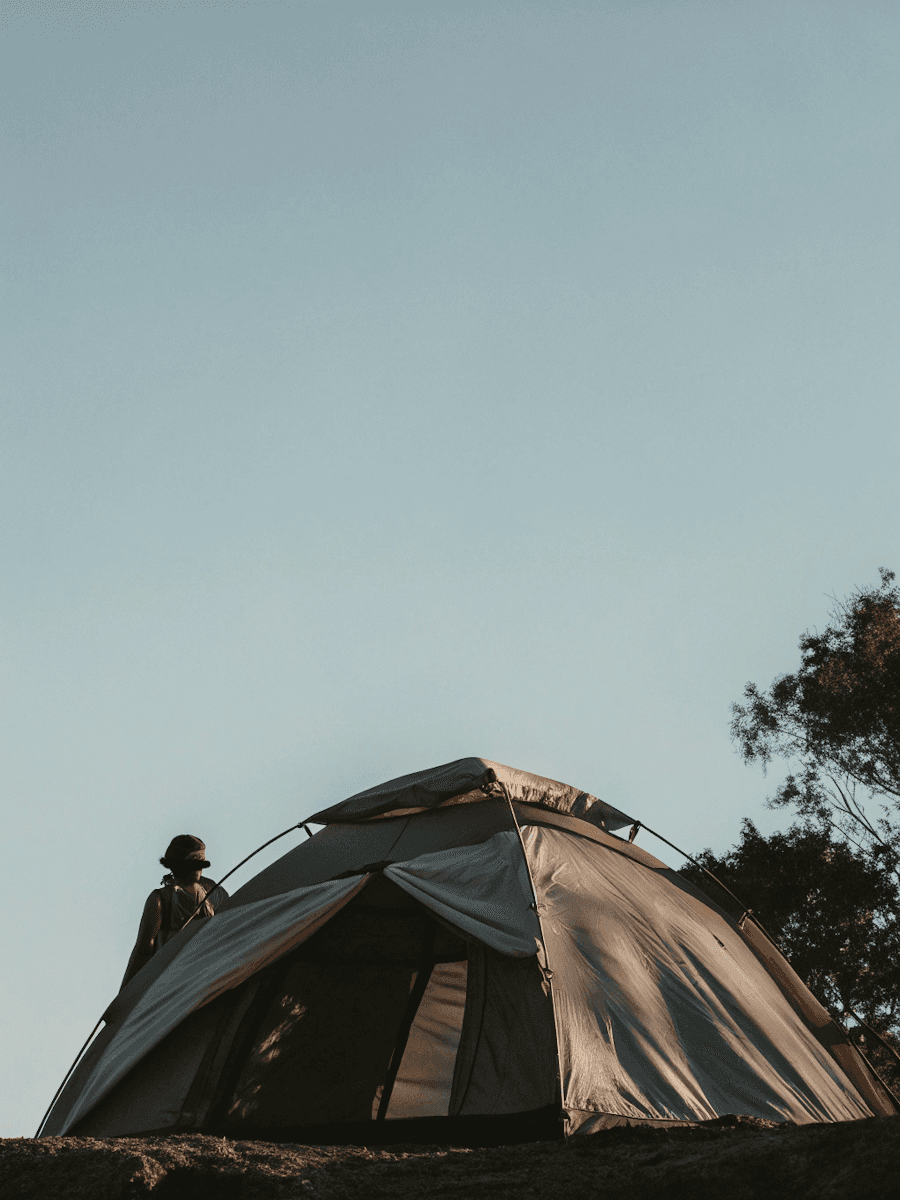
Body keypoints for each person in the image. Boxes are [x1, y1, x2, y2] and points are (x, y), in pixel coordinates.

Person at [121, 834, 229, 989]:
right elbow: (144, 949)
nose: (200, 866)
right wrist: (126, 992)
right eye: (195, 860)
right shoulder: (160, 899)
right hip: (171, 982)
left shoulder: (213, 892)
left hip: (208, 973)